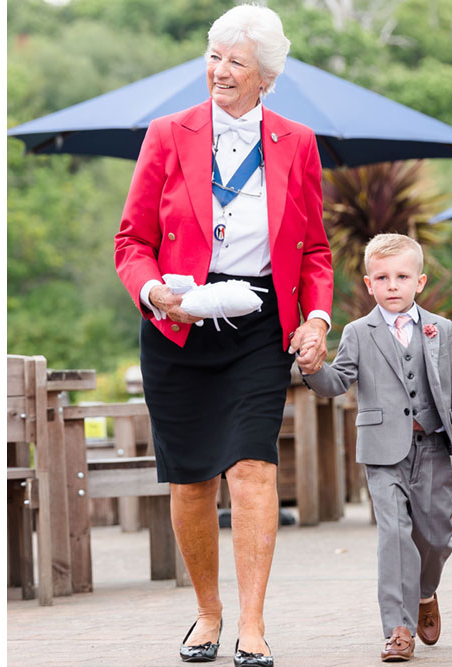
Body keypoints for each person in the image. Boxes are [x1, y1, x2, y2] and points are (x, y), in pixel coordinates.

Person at [114, 4, 333, 665]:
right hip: (178, 326)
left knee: (251, 467)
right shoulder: (165, 133)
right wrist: (153, 292)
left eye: (236, 61)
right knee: (190, 482)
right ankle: (206, 612)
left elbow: (317, 250)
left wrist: (317, 318)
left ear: (265, 76)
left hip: (258, 324)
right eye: (214, 57)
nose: (220, 71)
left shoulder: (298, 142)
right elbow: (132, 241)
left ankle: (251, 625)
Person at [295, 233, 452, 662]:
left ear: (419, 281)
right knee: (393, 537)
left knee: (437, 537)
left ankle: (425, 592)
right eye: (382, 277)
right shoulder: (359, 334)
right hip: (382, 453)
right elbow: (337, 380)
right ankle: (397, 630)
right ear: (368, 283)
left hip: (433, 447)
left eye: (401, 276)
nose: (392, 285)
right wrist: (312, 367)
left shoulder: (442, 330)